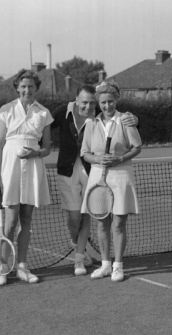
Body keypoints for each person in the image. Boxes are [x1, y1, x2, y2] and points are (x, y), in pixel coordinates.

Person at [50, 85, 139, 276]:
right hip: (76, 172)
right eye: (85, 102)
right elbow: (43, 126)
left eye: (93, 103)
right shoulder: (68, 114)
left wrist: (135, 121)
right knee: (83, 219)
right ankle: (89, 254)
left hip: (103, 174)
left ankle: (97, 261)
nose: (91, 106)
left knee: (107, 221)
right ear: (76, 100)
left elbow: (133, 136)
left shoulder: (111, 115)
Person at [0, 69, 53, 286]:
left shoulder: (43, 113)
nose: (27, 90)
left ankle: (23, 267)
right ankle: (3, 266)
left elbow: (47, 148)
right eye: (23, 86)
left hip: (33, 166)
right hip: (10, 167)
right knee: (9, 222)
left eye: (31, 87)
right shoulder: (6, 110)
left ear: (36, 88)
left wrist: (35, 153)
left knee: (26, 220)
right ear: (17, 87)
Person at [81, 82, 142, 282]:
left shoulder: (126, 120)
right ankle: (105, 265)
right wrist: (98, 159)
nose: (107, 106)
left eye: (111, 101)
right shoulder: (91, 123)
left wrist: (119, 159)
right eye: (103, 102)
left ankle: (118, 266)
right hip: (98, 176)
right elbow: (85, 153)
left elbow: (136, 147)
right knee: (102, 223)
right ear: (98, 103)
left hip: (121, 175)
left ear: (116, 101)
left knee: (118, 224)